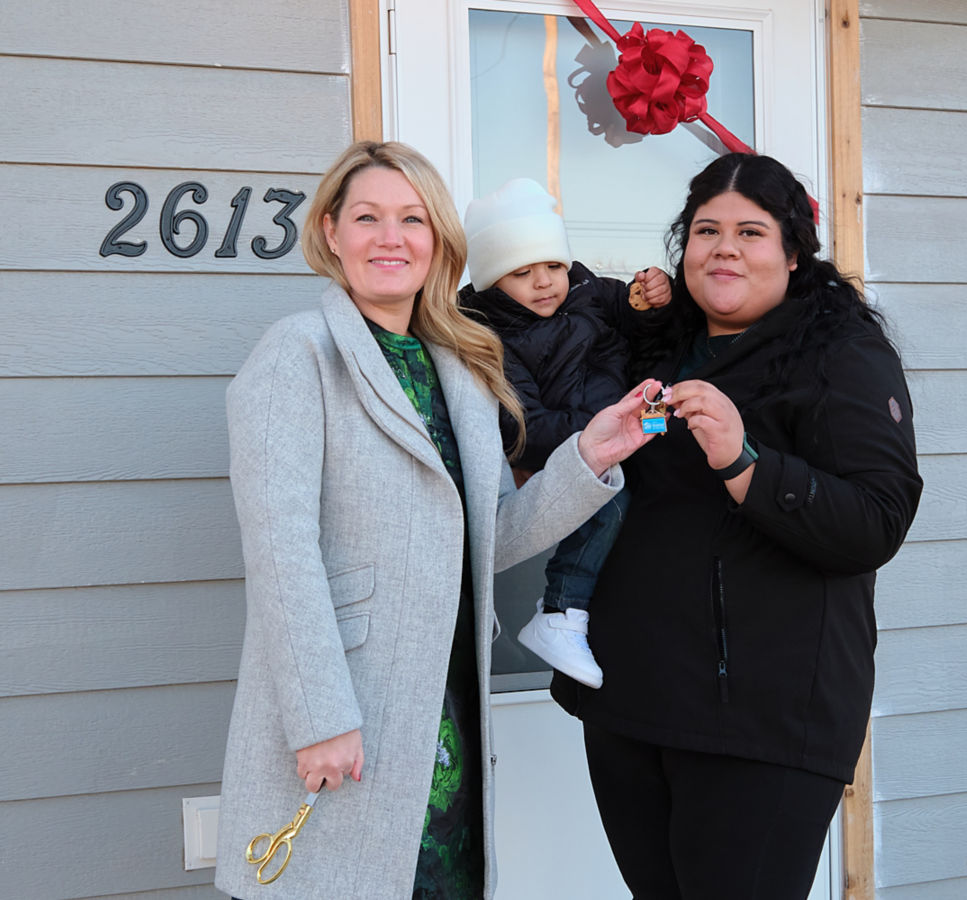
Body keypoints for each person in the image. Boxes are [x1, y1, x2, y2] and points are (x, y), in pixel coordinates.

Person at [214, 140, 660, 900]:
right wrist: (320, 717)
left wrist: (591, 455)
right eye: (368, 218)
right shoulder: (297, 355)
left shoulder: (461, 362)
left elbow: (489, 537)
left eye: (412, 219)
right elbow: (280, 548)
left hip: (445, 701)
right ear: (331, 232)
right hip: (347, 707)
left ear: (439, 241)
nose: (391, 238)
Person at [551, 153, 924, 898]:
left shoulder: (843, 355)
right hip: (631, 704)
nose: (724, 246)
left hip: (764, 718)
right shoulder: (653, 344)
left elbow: (876, 522)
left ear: (793, 251)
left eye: (751, 231)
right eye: (706, 229)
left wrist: (744, 460)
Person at [458, 177, 671, 688]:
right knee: (608, 505)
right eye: (522, 272)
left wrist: (649, 298)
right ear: (491, 280)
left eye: (553, 264)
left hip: (625, 421)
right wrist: (591, 441)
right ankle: (559, 612)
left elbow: (633, 318)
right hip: (577, 446)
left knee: (656, 487)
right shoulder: (491, 335)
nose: (545, 281)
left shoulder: (586, 289)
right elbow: (523, 424)